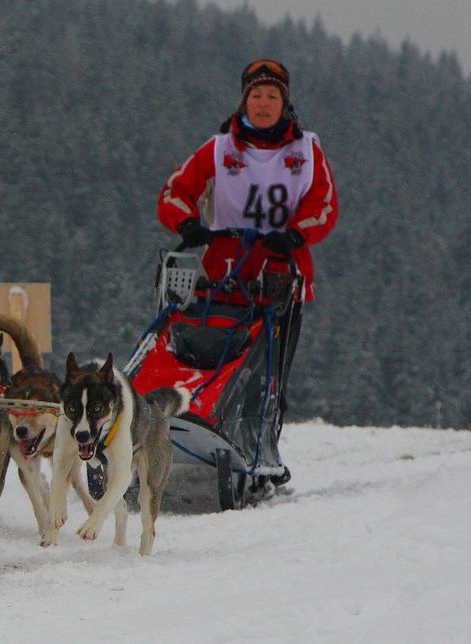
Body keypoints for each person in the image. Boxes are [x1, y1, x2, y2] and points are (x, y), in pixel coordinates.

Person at [156, 59, 338, 484]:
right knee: (206, 355)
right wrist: (186, 223)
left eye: (272, 96)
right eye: (256, 95)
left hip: (281, 278)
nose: (263, 103)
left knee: (270, 374)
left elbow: (324, 206)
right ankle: (195, 421)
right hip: (223, 275)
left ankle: (261, 450)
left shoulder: (307, 151)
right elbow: (174, 192)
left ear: (284, 103)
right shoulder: (220, 149)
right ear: (244, 101)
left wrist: (295, 234)